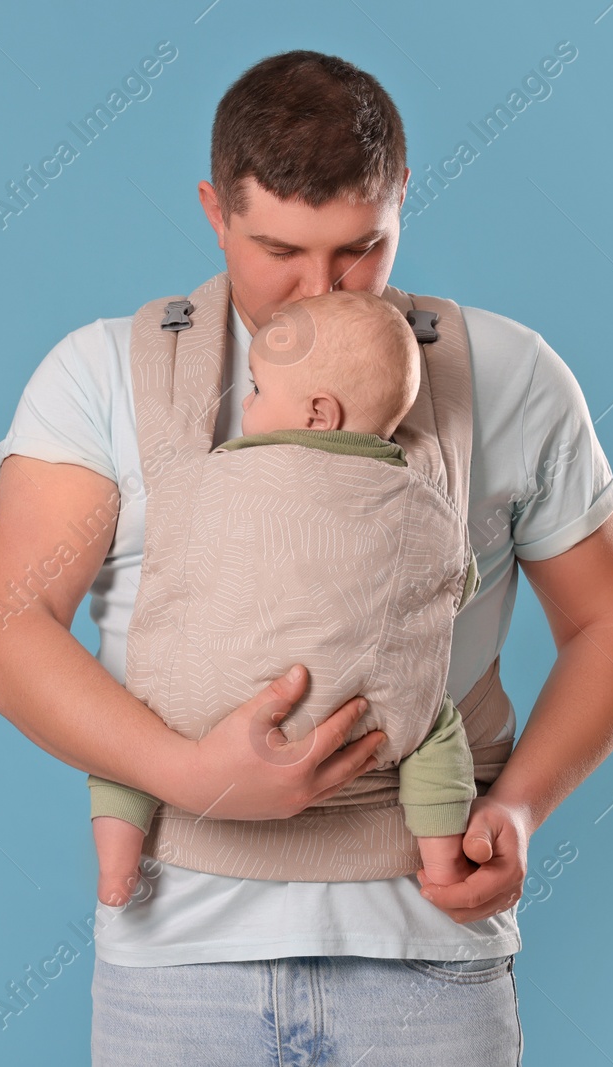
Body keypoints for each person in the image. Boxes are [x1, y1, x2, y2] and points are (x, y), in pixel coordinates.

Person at [0, 49, 613, 1065]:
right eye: (280, 249)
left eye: (359, 249)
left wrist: (515, 808)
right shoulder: (103, 372)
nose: (320, 287)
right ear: (214, 209)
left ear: (402, 199)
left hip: (428, 951)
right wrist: (194, 775)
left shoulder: (506, 373)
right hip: (176, 956)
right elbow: (5, 631)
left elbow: (610, 625)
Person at [87, 289, 483, 907]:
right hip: (362, 725)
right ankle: (442, 865)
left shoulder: (209, 477)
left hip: (194, 716)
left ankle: (117, 864)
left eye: (257, 391)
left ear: (318, 413)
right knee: (435, 730)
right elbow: (456, 583)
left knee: (127, 728)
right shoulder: (423, 502)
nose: (245, 405)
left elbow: (173, 555)